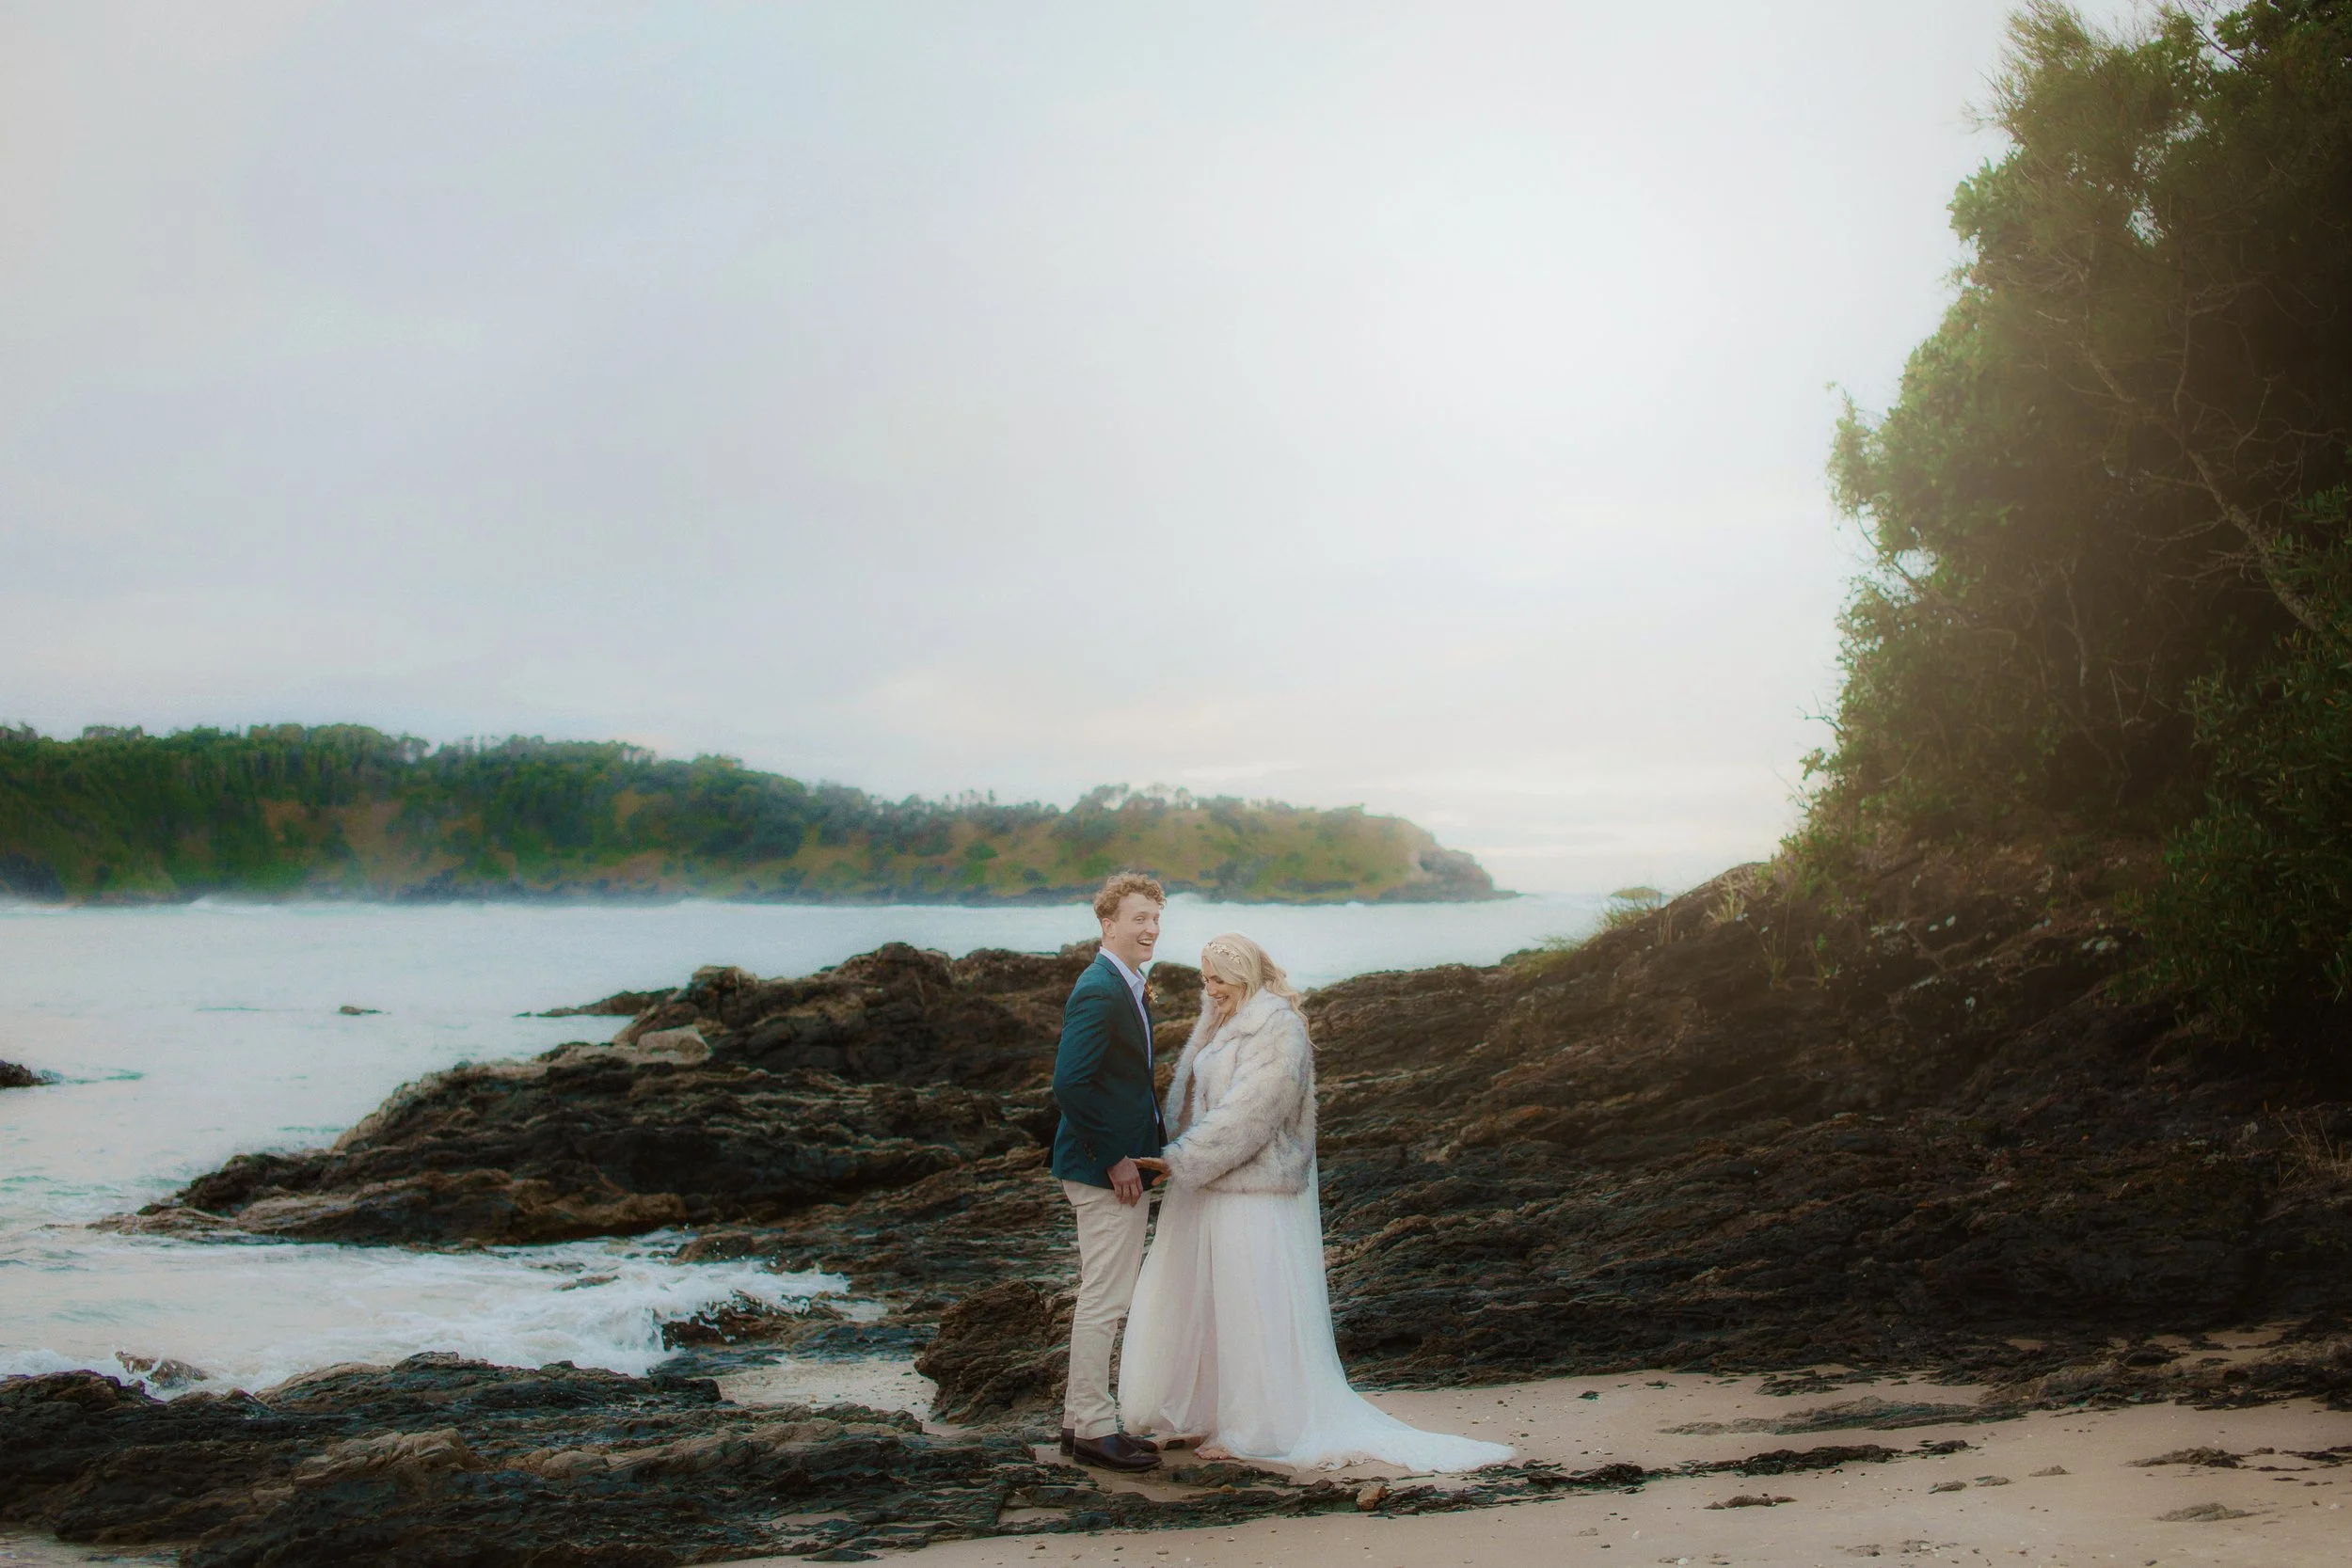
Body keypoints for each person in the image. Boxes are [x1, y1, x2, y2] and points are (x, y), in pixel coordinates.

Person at [1123, 932, 1512, 1473]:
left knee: (1251, 1305)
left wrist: (1184, 1157)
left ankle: (1253, 1428)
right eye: (1204, 978)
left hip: (1252, 1186)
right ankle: (1204, 1411)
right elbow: (1195, 1097)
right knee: (1207, 1300)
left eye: (1217, 979)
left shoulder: (1277, 1027)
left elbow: (1253, 1112)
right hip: (1208, 1183)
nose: (1208, 990)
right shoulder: (1222, 1021)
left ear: (1245, 976)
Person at [1048, 871, 1169, 1473]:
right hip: (1105, 1172)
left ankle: (1079, 1423)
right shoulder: (1099, 988)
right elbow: (1069, 1084)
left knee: (1103, 1294)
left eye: (1155, 918)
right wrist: (1118, 1158)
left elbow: (1126, 1085)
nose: (1150, 929)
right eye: (1138, 918)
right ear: (1108, 924)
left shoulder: (1126, 983)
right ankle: (1095, 1430)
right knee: (1105, 1298)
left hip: (1120, 1165)